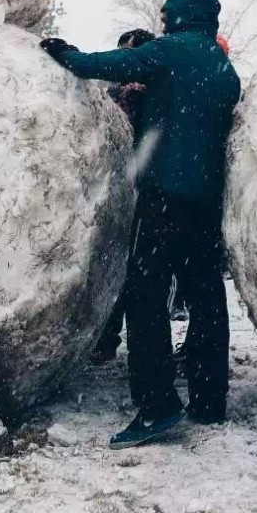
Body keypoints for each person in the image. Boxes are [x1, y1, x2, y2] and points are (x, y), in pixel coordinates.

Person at [42, 0, 240, 448]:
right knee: (207, 297)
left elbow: (111, 65)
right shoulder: (222, 65)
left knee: (145, 297)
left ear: (176, 17)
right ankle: (210, 400)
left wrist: (67, 53)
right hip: (206, 203)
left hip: (164, 197)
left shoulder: (170, 51)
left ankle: (156, 403)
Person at [91, 27, 155, 365]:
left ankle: (141, 348)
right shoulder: (110, 95)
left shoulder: (155, 95)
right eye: (121, 51)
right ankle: (104, 338)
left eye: (130, 52)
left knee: (140, 276)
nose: (124, 58)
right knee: (110, 268)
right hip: (115, 196)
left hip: (148, 196)